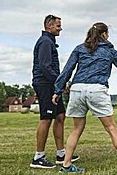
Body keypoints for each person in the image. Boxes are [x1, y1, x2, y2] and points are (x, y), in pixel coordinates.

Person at [53, 22, 117, 173]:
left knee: (76, 129)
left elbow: (67, 70)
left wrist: (58, 90)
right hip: (97, 89)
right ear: (104, 35)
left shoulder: (79, 48)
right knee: (111, 127)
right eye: (107, 34)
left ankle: (66, 164)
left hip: (77, 89)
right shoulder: (109, 50)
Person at [31, 14, 79, 169]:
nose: (61, 28)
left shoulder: (50, 41)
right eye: (58, 26)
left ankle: (61, 153)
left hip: (52, 84)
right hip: (44, 83)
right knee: (46, 118)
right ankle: (38, 157)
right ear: (49, 26)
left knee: (60, 116)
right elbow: (45, 66)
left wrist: (59, 84)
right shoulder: (45, 42)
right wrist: (60, 82)